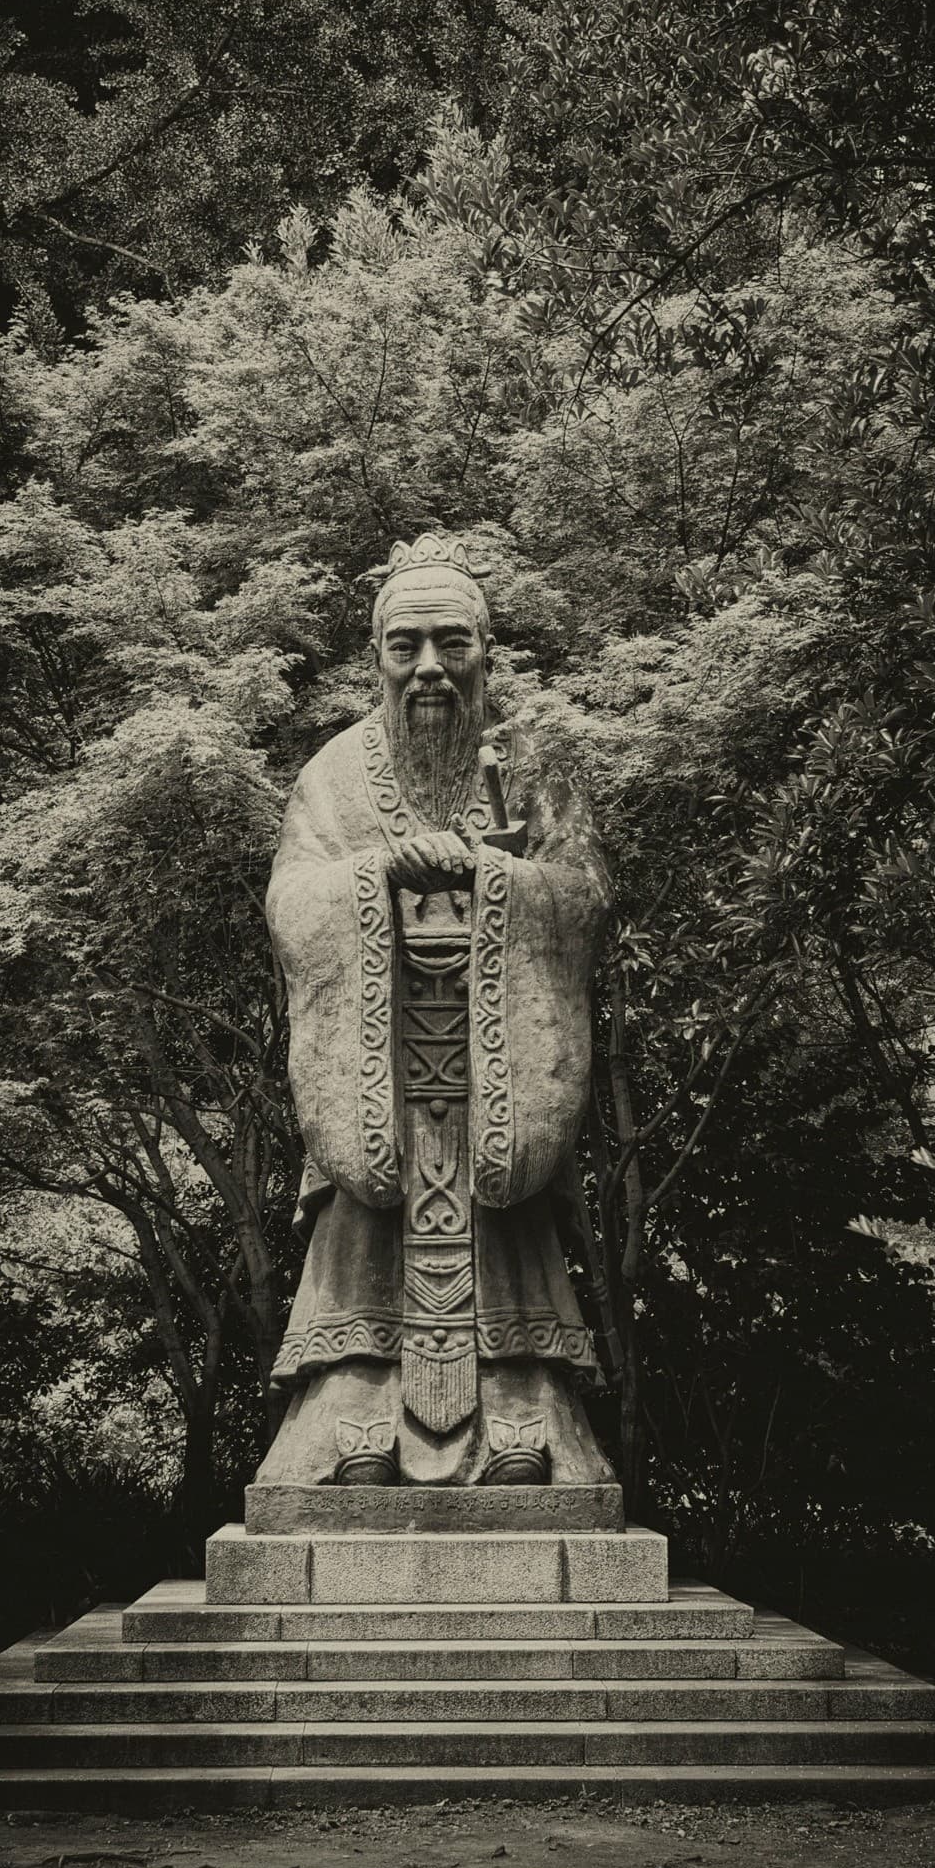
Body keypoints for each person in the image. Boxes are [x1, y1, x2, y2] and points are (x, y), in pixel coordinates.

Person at [255, 533, 616, 1487]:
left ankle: (522, 1424)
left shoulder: (530, 768)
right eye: (404, 644)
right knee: (364, 1240)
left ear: (487, 650)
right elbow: (293, 905)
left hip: (498, 1072)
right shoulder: (332, 776)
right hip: (378, 1072)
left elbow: (579, 896)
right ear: (374, 655)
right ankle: (352, 1425)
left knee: (508, 1244)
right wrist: (377, 876)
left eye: (451, 644)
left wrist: (494, 879)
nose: (429, 668)